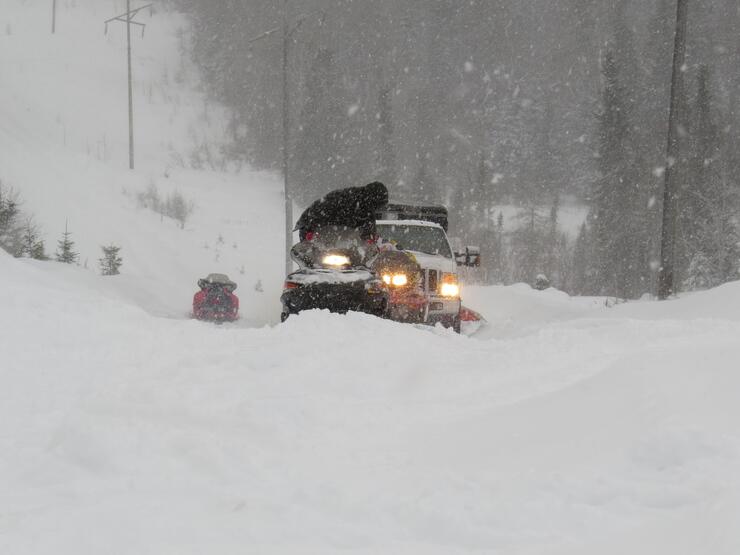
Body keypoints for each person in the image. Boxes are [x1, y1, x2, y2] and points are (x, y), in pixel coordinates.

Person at [294, 181, 389, 242]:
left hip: (328, 231)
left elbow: (368, 227)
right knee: (311, 256)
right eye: (378, 205)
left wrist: (370, 239)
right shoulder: (349, 199)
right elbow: (321, 213)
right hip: (311, 225)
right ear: (373, 199)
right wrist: (312, 230)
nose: (376, 209)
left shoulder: (365, 206)